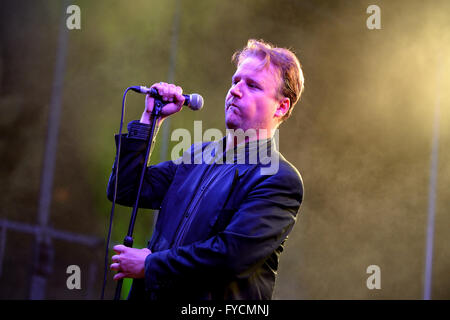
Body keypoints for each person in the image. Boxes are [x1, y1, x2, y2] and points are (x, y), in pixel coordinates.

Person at [107, 39, 305, 300]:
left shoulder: (279, 178)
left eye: (252, 85)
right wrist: (150, 119)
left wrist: (150, 265)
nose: (235, 90)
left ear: (281, 106)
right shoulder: (198, 154)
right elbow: (126, 189)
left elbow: (231, 255)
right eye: (235, 81)